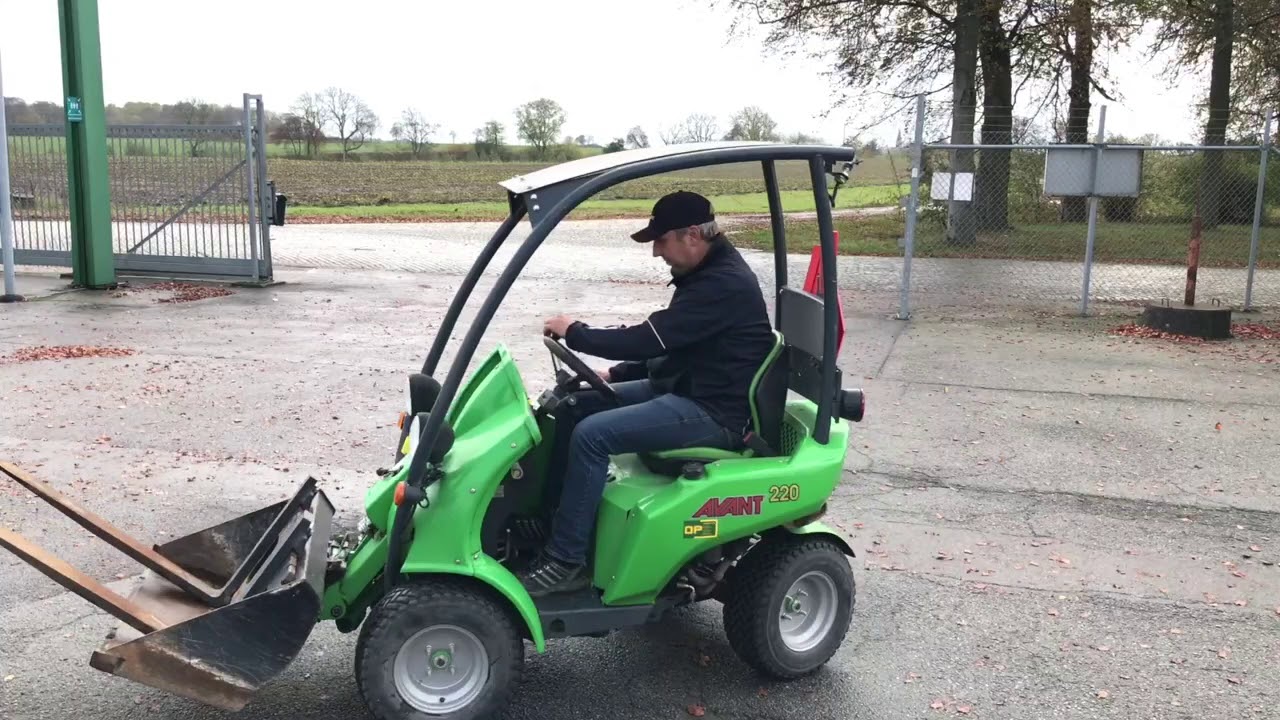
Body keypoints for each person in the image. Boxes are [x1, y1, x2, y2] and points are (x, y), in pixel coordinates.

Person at [518, 190, 776, 597]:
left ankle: (566, 561)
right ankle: (553, 521)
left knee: (593, 435)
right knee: (571, 407)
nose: (657, 251)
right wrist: (616, 373)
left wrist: (577, 333)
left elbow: (649, 339)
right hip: (684, 387)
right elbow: (674, 344)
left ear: (692, 235)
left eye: (661, 240)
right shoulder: (704, 274)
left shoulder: (723, 284)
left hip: (713, 412)